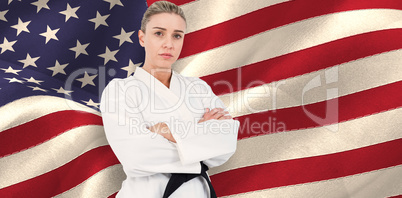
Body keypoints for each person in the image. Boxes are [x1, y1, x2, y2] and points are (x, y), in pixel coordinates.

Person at [100, 1, 240, 197]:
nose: (169, 44)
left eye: (177, 35)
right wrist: (201, 133)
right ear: (142, 38)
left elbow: (226, 142)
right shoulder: (120, 90)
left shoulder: (197, 87)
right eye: (159, 33)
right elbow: (136, 156)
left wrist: (165, 131)